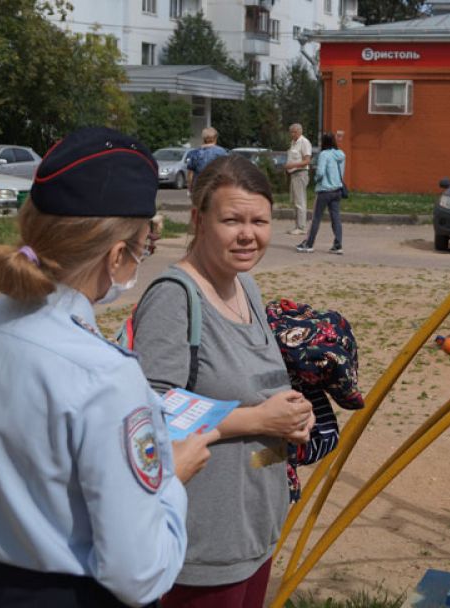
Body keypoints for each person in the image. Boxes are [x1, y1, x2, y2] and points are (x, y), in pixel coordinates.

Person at [0, 126, 220, 607]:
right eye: (142, 248)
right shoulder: (107, 375)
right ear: (116, 256)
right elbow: (138, 574)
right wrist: (169, 483)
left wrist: (13, 531)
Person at [131, 154, 315, 608]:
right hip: (203, 543)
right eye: (232, 220)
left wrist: (292, 415)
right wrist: (259, 419)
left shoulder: (244, 285)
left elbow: (251, 385)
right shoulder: (175, 299)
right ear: (198, 219)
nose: (248, 234)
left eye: (260, 221)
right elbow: (152, 417)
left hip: (253, 526)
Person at [296, 132, 346, 254]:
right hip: (337, 190)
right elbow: (342, 171)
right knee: (336, 218)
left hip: (324, 190)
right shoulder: (340, 154)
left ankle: (309, 244)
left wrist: (316, 180)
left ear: (323, 142)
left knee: (316, 218)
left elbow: (320, 173)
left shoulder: (324, 154)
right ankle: (338, 245)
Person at [284, 122, 312, 235]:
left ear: (300, 131)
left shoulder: (304, 142)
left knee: (300, 201)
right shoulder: (293, 143)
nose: (292, 134)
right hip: (294, 174)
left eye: (294, 132)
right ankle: (297, 226)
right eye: (291, 132)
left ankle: (301, 227)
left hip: (301, 173)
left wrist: (292, 165)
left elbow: (307, 160)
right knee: (295, 201)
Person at [185, 127, 227, 194]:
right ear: (215, 138)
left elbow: (190, 174)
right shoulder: (222, 152)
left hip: (198, 187)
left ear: (203, 138)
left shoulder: (193, 153)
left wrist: (190, 188)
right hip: (216, 187)